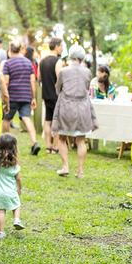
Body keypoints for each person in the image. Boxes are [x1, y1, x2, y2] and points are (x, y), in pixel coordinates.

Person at [52, 45, 98, 179]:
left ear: (70, 55)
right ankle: (80, 171)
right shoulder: (87, 72)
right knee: (81, 139)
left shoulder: (63, 71)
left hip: (66, 106)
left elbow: (57, 88)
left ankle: (65, 166)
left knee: (61, 137)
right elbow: (87, 88)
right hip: (83, 107)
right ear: (82, 57)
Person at [1, 41, 40, 155]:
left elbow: (6, 82)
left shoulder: (8, 63)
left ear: (10, 49)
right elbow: (33, 81)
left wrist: (5, 97)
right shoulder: (28, 62)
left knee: (7, 119)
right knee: (27, 118)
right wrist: (33, 97)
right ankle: (35, 142)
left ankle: (7, 145)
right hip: (26, 95)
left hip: (12, 95)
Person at [0, 133, 24, 239]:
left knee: (1, 210)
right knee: (16, 205)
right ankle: (16, 219)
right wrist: (19, 188)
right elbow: (18, 178)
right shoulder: (14, 164)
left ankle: (1, 232)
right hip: (11, 191)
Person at [39, 38, 63, 154]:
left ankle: (48, 146)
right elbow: (60, 78)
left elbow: (39, 78)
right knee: (56, 120)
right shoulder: (58, 61)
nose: (62, 48)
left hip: (45, 93)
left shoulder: (42, 61)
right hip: (56, 95)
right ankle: (55, 146)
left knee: (47, 120)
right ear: (57, 46)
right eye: (61, 46)